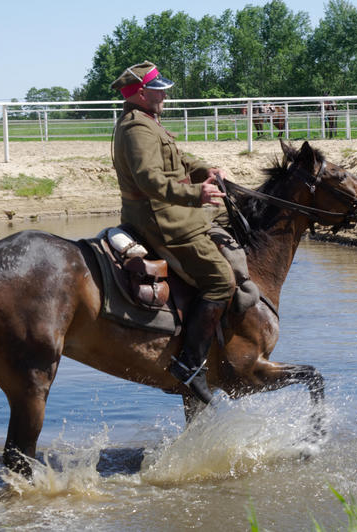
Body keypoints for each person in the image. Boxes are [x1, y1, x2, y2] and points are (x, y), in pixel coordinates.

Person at [110, 61, 235, 404]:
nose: (165, 95)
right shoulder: (137, 128)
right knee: (220, 280)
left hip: (166, 211)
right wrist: (197, 194)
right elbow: (149, 179)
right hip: (160, 219)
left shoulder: (147, 121)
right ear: (141, 93)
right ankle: (190, 365)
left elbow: (177, 162)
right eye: (159, 90)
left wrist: (206, 171)